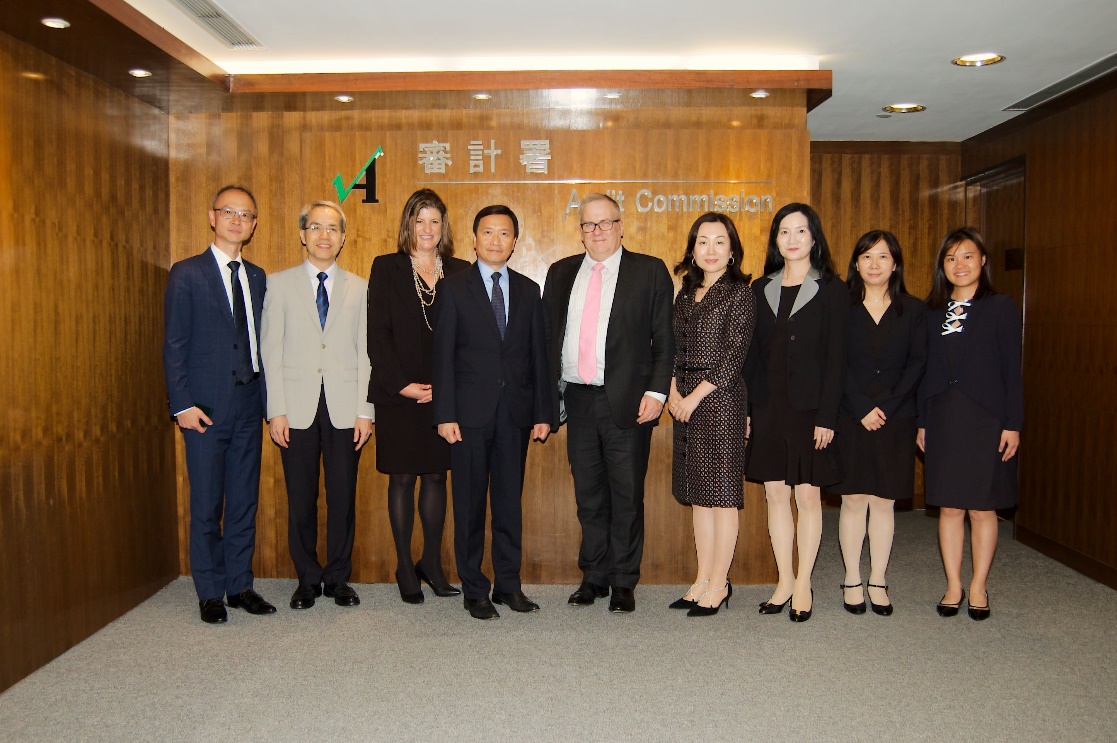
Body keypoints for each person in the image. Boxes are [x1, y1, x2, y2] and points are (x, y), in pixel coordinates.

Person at [543, 193, 675, 614]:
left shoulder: (649, 271)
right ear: (580, 230)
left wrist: (657, 393)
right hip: (577, 399)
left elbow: (665, 339)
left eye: (605, 223)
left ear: (621, 226)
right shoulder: (561, 272)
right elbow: (548, 342)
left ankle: (623, 581)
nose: (596, 231)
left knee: (627, 494)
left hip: (629, 403)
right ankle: (593, 577)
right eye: (588, 224)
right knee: (589, 497)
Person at [431, 205, 553, 620]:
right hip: (467, 416)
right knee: (467, 505)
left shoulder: (527, 289)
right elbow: (442, 357)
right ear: (475, 238)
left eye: (504, 233)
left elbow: (539, 356)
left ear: (514, 242)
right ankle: (474, 589)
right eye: (488, 232)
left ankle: (508, 586)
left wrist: (543, 412)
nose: (496, 240)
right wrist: (444, 414)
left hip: (514, 415)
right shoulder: (454, 288)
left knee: (507, 503)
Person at [163, 184, 276, 624]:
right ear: (212, 217)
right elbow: (173, 344)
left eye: (245, 215)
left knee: (244, 501)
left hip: (249, 404)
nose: (237, 220)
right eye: (228, 212)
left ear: (253, 225)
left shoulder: (257, 276)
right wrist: (182, 404)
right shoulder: (186, 273)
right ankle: (209, 591)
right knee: (208, 504)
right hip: (204, 411)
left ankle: (239, 585)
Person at [260, 200, 373, 610]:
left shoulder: (361, 287)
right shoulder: (278, 284)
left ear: (343, 238)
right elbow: (270, 351)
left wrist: (366, 409)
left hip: (345, 407)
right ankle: (307, 578)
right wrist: (276, 410)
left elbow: (367, 352)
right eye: (316, 227)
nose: (325, 235)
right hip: (296, 407)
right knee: (301, 496)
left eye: (333, 228)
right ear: (302, 234)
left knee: (343, 496)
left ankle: (338, 578)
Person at [743, 202, 847, 623]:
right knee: (774, 494)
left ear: (814, 237)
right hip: (769, 406)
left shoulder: (833, 289)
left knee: (807, 495)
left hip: (809, 410)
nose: (792, 239)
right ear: (776, 240)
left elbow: (837, 358)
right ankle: (784, 579)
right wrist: (750, 409)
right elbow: (753, 355)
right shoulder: (759, 288)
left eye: (800, 231)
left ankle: (804, 582)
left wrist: (827, 416)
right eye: (784, 232)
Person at [367, 189, 469, 603]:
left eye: (434, 221)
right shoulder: (387, 268)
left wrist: (449, 388)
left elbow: (469, 339)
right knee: (402, 477)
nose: (426, 229)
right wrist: (402, 384)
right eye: (419, 220)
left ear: (443, 228)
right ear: (407, 224)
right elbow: (377, 334)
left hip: (444, 395)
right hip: (399, 393)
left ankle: (432, 562)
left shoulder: (461, 270)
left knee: (435, 477)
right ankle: (404, 566)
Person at [918, 227, 1022, 621]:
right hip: (944, 417)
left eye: (967, 256)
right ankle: (953, 585)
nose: (959, 265)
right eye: (950, 258)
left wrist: (1013, 423)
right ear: (942, 267)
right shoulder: (931, 312)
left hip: (987, 419)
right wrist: (923, 422)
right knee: (949, 508)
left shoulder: (1001, 306)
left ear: (982, 261)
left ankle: (978, 585)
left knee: (982, 508)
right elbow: (927, 372)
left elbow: (1012, 371)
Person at [828, 231, 926, 616]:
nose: (874, 264)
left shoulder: (913, 310)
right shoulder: (841, 307)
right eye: (866, 257)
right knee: (853, 500)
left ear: (895, 263)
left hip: (896, 417)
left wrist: (885, 405)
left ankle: (878, 579)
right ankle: (852, 578)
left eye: (882, 257)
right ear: (856, 264)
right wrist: (861, 406)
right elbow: (834, 361)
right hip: (851, 416)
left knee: (883, 502)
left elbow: (918, 363)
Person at [666, 213, 755, 617]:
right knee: (699, 498)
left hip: (720, 402)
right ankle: (702, 579)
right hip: (684, 401)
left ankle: (720, 584)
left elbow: (732, 358)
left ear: (732, 250)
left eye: (720, 242)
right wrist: (671, 392)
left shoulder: (740, 294)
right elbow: (671, 347)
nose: (711, 250)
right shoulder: (685, 293)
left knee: (721, 499)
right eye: (703, 242)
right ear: (692, 249)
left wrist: (692, 397)